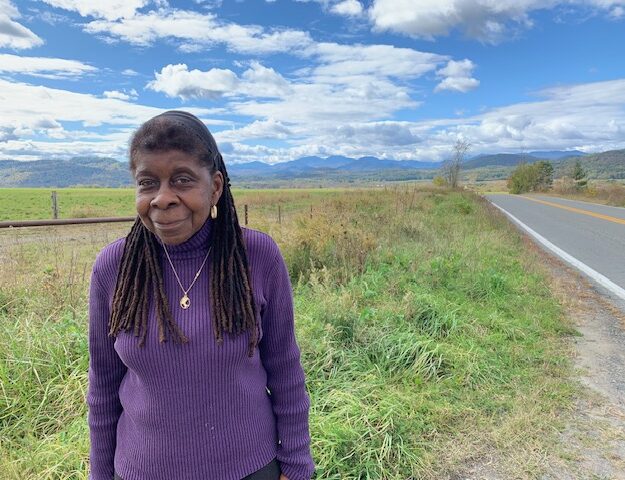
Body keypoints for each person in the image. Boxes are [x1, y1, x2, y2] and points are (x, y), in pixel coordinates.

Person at [86, 110, 315, 480]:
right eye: (147, 183)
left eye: (182, 180)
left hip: (250, 469)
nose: (162, 198)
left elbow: (286, 368)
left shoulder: (256, 257)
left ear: (216, 186)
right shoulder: (115, 267)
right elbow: (102, 387)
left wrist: (297, 466)